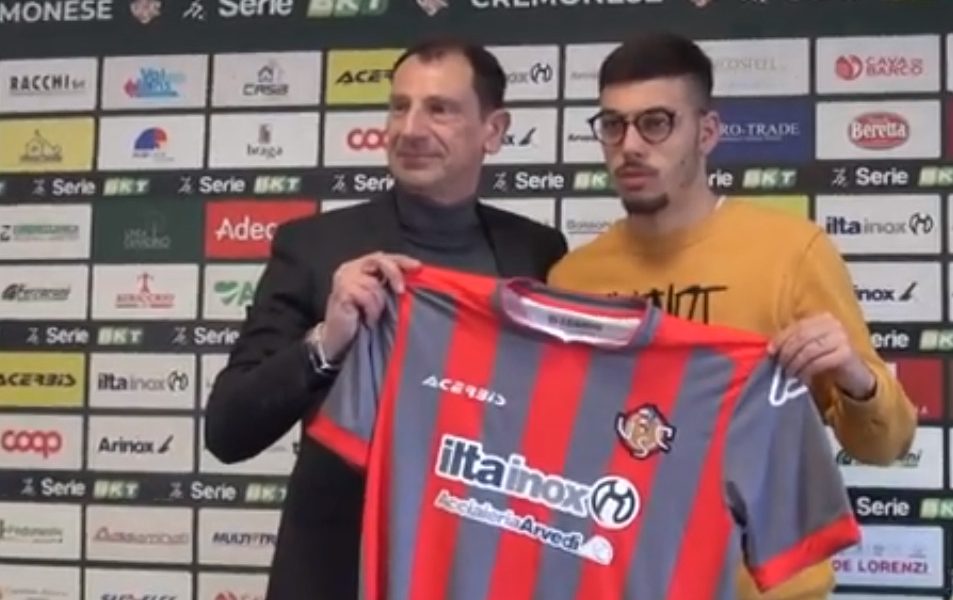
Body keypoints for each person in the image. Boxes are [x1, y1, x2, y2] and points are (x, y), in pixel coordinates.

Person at [546, 32, 918, 600]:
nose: (630, 146)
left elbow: (885, 446)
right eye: (613, 125)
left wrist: (853, 376)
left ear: (707, 132)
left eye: (656, 123)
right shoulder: (572, 280)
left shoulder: (791, 253)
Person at [204, 37, 568, 600]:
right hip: (342, 578)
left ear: (493, 131)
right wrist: (325, 343)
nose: (410, 129)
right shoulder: (315, 247)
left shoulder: (539, 253)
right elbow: (228, 431)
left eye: (439, 109)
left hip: (482, 574)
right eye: (400, 107)